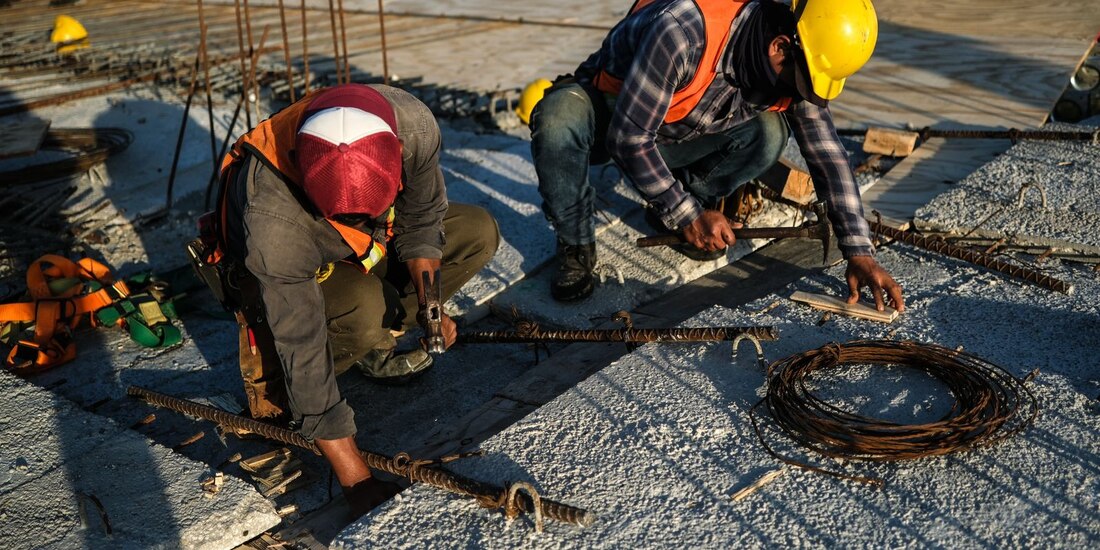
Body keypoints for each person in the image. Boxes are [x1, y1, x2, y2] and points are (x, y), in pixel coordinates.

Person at [205, 84, 499, 512]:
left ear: (395, 151)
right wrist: (357, 482)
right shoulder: (272, 218)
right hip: (289, 277)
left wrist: (431, 308)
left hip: (361, 244)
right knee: (365, 308)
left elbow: (420, 220)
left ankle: (376, 336)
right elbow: (302, 343)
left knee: (475, 231)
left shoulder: (412, 124)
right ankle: (292, 372)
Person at [530, 0, 905, 312]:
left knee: (768, 133)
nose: (799, 91)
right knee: (557, 120)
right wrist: (687, 214)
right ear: (780, 46)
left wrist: (858, 250)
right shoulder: (684, 32)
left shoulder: (792, 60)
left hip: (673, 130)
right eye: (801, 81)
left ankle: (681, 207)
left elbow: (827, 154)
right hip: (611, 115)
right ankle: (576, 243)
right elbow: (628, 139)